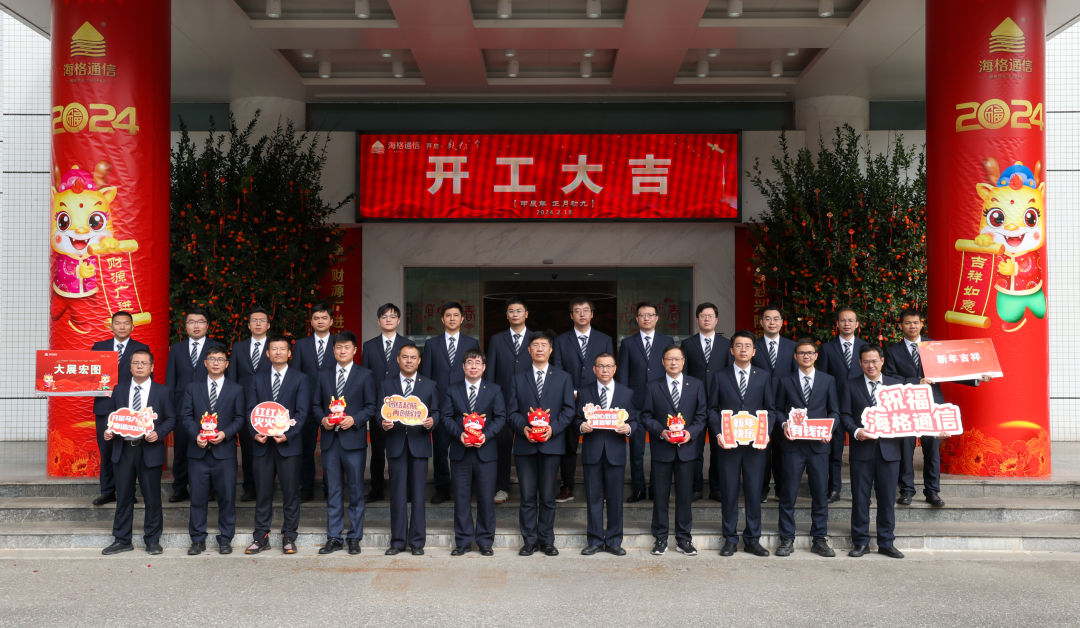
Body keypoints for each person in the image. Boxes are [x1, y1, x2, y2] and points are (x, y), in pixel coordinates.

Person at [885, 308, 992, 507]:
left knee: (932, 451)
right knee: (906, 450)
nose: (912, 326)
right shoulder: (892, 352)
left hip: (933, 406)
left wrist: (977, 377)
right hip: (907, 407)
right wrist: (916, 381)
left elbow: (952, 370)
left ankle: (932, 492)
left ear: (921, 324)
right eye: (907, 323)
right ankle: (906, 491)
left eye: (915, 322)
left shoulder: (934, 347)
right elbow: (890, 378)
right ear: (900, 326)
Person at [101, 349, 175, 556]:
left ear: (152, 367)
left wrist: (158, 433)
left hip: (149, 449)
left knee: (152, 497)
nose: (140, 366)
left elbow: (171, 418)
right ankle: (122, 539)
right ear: (130, 366)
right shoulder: (119, 390)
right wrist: (109, 430)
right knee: (123, 497)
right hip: (123, 449)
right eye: (136, 363)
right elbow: (112, 416)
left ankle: (152, 540)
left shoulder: (163, 391)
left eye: (144, 363)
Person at [708, 330, 774, 557]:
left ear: (754, 351)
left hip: (756, 446)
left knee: (754, 492)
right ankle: (730, 538)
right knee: (729, 492)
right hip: (729, 445)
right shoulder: (719, 376)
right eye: (739, 345)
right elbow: (712, 409)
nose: (743, 349)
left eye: (747, 346)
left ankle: (753, 539)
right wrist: (718, 433)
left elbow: (771, 409)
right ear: (731, 350)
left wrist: (766, 432)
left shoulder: (764, 376)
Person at [508, 330, 574, 557]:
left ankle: (547, 540)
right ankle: (529, 541)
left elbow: (569, 410)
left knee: (547, 496)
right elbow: (511, 411)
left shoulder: (563, 377)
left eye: (544, 345)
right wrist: (523, 428)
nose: (539, 349)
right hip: (525, 444)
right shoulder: (517, 378)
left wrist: (552, 429)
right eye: (535, 345)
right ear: (528, 350)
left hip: (551, 444)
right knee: (527, 496)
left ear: (551, 350)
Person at [773, 339, 840, 558]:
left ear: (816, 355)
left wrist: (830, 429)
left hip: (819, 445)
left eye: (810, 353)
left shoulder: (828, 380)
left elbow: (835, 411)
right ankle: (787, 538)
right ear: (795, 357)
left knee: (820, 494)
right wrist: (784, 424)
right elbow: (777, 410)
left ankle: (819, 539)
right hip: (793, 445)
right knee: (788, 493)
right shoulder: (785, 380)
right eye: (801, 353)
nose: (806, 356)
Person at [245, 336, 310, 555]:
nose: (278, 352)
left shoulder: (300, 379)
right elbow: (250, 410)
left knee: (290, 492)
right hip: (263, 444)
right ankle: (260, 536)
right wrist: (255, 433)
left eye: (283, 349)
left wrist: (288, 435)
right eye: (274, 349)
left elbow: (302, 412)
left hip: (288, 445)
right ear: (267, 353)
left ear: (289, 353)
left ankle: (289, 536)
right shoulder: (257, 379)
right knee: (263, 492)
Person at [640, 345, 707, 557]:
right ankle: (660, 538)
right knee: (660, 496)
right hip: (662, 449)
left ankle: (684, 539)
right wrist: (661, 432)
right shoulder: (653, 386)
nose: (673, 362)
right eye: (669, 359)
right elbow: (646, 416)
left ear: (683, 361)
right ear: (663, 362)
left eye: (677, 359)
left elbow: (702, 415)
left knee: (684, 497)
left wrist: (691, 433)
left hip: (686, 449)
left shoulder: (696, 385)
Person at [315, 331, 377, 555]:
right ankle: (333, 537)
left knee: (356, 491)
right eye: (339, 347)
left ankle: (354, 537)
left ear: (355, 350)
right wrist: (323, 419)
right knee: (333, 491)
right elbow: (315, 405)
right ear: (333, 350)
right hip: (330, 441)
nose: (342, 351)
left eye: (347, 347)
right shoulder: (323, 375)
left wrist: (355, 419)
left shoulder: (365, 375)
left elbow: (371, 406)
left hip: (354, 442)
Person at [842, 344, 905, 558]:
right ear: (860, 363)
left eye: (874, 361)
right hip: (862, 450)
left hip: (889, 451)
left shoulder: (896, 385)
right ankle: (860, 542)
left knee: (887, 499)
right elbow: (845, 415)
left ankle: (886, 542)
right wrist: (856, 431)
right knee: (860, 498)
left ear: (882, 361)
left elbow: (907, 414)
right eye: (866, 361)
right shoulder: (850, 385)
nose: (871, 365)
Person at [182, 345, 246, 555]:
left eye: (220, 359)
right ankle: (197, 539)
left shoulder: (236, 389)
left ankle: (225, 538)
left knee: (227, 498)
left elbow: (240, 418)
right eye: (212, 359)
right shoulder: (192, 388)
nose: (216, 363)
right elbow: (186, 416)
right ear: (205, 363)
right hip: (198, 452)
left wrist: (225, 434)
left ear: (227, 364)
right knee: (197, 499)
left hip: (224, 453)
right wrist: (196, 435)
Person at [442, 348, 506, 556]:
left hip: (485, 453)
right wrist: (459, 434)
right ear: (463, 366)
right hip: (460, 452)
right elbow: (446, 417)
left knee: (486, 499)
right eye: (469, 362)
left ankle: (485, 541)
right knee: (461, 499)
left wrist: (485, 436)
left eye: (477, 362)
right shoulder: (452, 389)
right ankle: (463, 541)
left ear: (484, 367)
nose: (473, 366)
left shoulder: (494, 389)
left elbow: (501, 417)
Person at [553, 296, 614, 504]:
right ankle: (567, 486)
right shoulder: (561, 341)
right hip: (569, 399)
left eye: (585, 310)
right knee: (568, 445)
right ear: (571, 315)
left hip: (597, 398)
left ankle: (600, 488)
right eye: (577, 311)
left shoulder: (604, 339)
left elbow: (608, 368)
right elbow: (558, 369)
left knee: (600, 444)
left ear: (592, 314)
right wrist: (570, 391)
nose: (582, 314)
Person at [379, 344, 439, 556]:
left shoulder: (429, 385)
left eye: (413, 357)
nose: (409, 361)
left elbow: (436, 411)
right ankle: (397, 541)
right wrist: (382, 423)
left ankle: (417, 542)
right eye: (405, 357)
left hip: (419, 444)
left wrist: (432, 421)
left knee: (419, 495)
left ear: (419, 361)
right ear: (398, 359)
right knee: (397, 495)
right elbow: (378, 414)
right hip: (396, 444)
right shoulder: (386, 384)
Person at [576, 352, 638, 556]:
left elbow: (634, 420)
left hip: (615, 452)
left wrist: (628, 429)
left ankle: (613, 541)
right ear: (594, 369)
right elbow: (575, 418)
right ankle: (594, 541)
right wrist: (581, 426)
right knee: (593, 498)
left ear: (615, 369)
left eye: (608, 366)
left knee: (615, 498)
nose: (605, 370)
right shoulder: (583, 392)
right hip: (592, 451)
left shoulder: (626, 393)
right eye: (600, 366)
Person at [420, 302, 479, 505]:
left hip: (465, 405)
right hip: (439, 405)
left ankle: (464, 486)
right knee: (440, 449)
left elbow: (476, 373)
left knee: (465, 446)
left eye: (456, 315)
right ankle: (442, 488)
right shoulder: (431, 344)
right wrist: (429, 406)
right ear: (442, 319)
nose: (452, 318)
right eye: (448, 315)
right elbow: (427, 377)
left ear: (462, 318)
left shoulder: (472, 342)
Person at [164, 308, 224, 503]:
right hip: (182, 406)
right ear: (185, 326)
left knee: (210, 447)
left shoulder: (217, 347)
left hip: (210, 406)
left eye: (200, 321)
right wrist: (170, 408)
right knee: (181, 447)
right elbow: (171, 379)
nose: (196, 325)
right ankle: (180, 487)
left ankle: (210, 488)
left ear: (207, 325)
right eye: (191, 322)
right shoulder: (176, 348)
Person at [617, 301, 673, 503]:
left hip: (661, 402)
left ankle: (657, 489)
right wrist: (625, 403)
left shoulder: (667, 341)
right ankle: (639, 489)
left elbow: (672, 371)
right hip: (636, 404)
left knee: (661, 448)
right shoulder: (628, 343)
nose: (646, 318)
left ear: (657, 318)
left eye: (650, 315)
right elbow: (623, 375)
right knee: (636, 450)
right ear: (637, 319)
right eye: (642, 315)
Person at [90, 311, 148, 506]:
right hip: (104, 408)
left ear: (132, 326)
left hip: (131, 409)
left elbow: (147, 378)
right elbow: (89, 376)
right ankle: (107, 491)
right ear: (111, 326)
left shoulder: (141, 348)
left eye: (126, 323)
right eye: (117, 323)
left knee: (128, 453)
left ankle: (128, 492)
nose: (122, 327)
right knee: (106, 451)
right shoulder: (99, 347)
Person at [361, 303, 415, 504]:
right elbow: (366, 377)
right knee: (377, 450)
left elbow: (412, 373)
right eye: (384, 316)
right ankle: (376, 490)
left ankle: (405, 490)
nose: (389, 319)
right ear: (379, 321)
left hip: (403, 406)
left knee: (402, 449)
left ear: (399, 320)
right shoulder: (369, 346)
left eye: (392, 316)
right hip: (378, 407)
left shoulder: (407, 344)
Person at [815, 307, 866, 503]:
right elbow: (823, 379)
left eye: (851, 320)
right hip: (835, 406)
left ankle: (860, 490)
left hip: (859, 405)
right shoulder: (827, 348)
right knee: (835, 449)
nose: (847, 324)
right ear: (837, 324)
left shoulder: (865, 347)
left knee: (861, 450)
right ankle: (834, 489)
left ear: (857, 324)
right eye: (843, 320)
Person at [485, 297, 533, 505]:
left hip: (529, 403)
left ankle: (530, 488)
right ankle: (502, 487)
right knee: (502, 446)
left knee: (529, 444)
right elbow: (490, 373)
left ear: (526, 314)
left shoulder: (535, 339)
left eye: (519, 310)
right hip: (502, 402)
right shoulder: (497, 339)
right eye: (511, 311)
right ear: (506, 315)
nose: (515, 314)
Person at [292, 303, 337, 501]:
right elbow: (296, 374)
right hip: (307, 403)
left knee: (332, 447)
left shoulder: (338, 343)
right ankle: (307, 487)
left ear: (331, 321)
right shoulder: (302, 344)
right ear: (311, 322)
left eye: (324, 317)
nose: (320, 321)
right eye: (316, 318)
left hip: (333, 404)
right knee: (306, 447)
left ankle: (330, 486)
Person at [226, 307, 271, 503]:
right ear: (248, 325)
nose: (258, 323)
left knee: (269, 447)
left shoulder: (275, 346)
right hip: (245, 405)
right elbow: (233, 378)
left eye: (262, 320)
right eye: (254, 320)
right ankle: (249, 486)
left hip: (269, 406)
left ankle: (266, 487)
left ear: (268, 325)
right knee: (247, 446)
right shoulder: (239, 348)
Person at [752, 305, 796, 504]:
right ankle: (761, 489)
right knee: (760, 449)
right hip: (759, 404)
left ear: (782, 322)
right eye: (768, 318)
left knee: (782, 448)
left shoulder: (792, 346)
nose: (772, 322)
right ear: (761, 322)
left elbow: (795, 376)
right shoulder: (753, 345)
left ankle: (780, 488)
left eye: (776, 318)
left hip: (783, 405)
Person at [682, 302, 725, 502]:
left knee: (719, 448)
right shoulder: (687, 344)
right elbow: (684, 375)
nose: (706, 319)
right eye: (703, 316)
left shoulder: (726, 344)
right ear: (697, 319)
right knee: (694, 447)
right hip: (694, 405)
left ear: (716, 320)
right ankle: (695, 488)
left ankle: (717, 488)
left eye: (710, 316)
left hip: (719, 404)